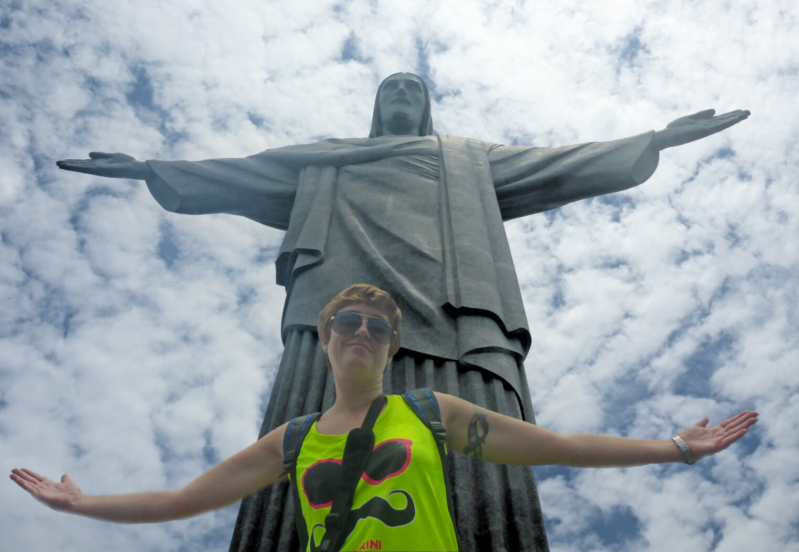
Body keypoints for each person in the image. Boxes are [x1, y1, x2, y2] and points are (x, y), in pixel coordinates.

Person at [53, 73, 750, 550]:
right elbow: (240, 173)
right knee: (301, 428)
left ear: (426, 107)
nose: (401, 97)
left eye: (413, 90)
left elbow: (555, 164)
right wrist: (152, 169)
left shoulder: (466, 159)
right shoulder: (323, 161)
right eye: (390, 89)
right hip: (334, 278)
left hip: (459, 304)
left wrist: (652, 140)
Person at [11, 284, 758, 552]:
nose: (361, 333)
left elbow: (556, 446)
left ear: (392, 345)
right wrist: (81, 505)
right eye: (348, 324)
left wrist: (673, 448)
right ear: (326, 342)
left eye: (374, 326)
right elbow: (179, 502)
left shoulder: (435, 411)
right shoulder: (292, 440)